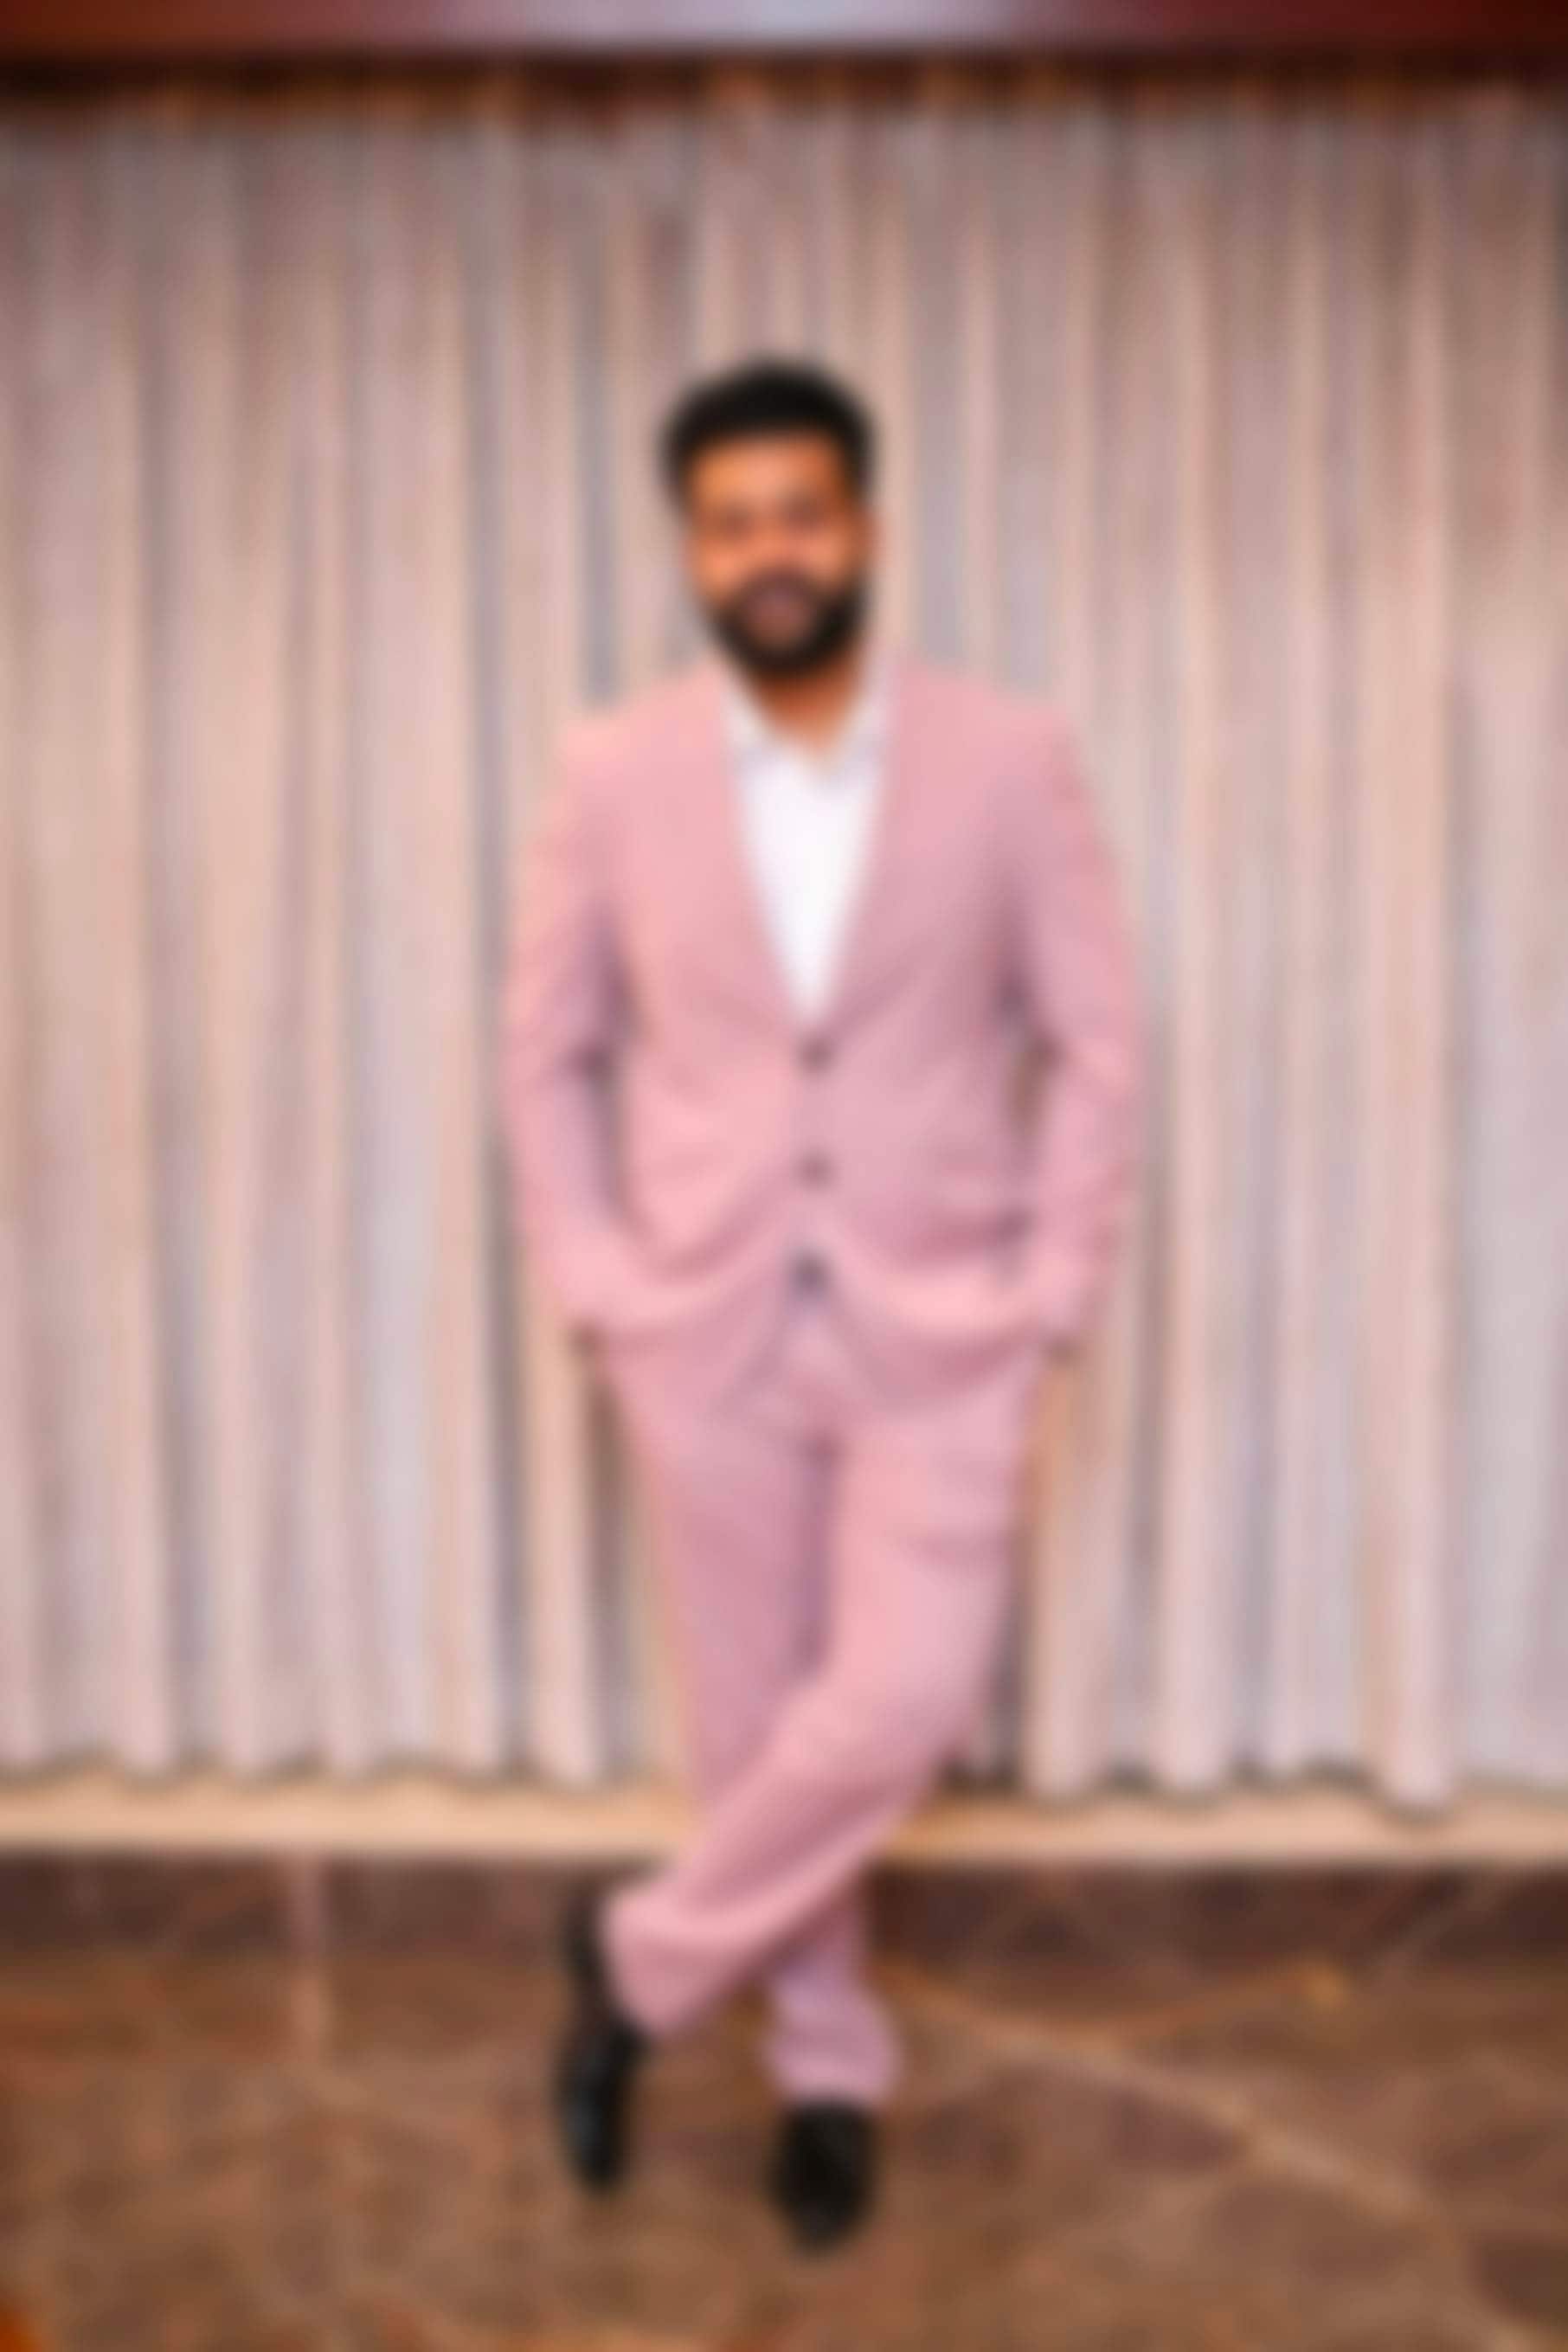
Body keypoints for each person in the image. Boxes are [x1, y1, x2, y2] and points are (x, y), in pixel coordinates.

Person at [496, 355, 1146, 2252]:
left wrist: (1053, 1288)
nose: (767, 553)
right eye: (729, 525)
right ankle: (826, 2067)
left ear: (862, 527)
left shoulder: (1007, 758)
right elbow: (545, 1053)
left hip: (940, 1326)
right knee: (750, 1719)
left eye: (799, 513)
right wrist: (599, 1283)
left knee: (902, 1698)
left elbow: (1098, 1043)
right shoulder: (613, 773)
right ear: (691, 553)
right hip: (700, 1329)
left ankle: (638, 1961)